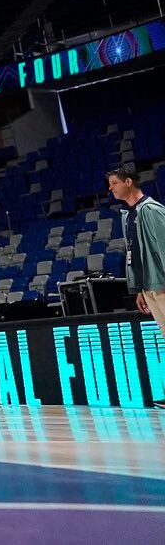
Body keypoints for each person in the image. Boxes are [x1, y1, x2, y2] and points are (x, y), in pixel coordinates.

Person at [107, 165, 165, 409]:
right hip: (150, 285)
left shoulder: (151, 210)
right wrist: (140, 289)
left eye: (114, 183)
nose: (110, 189)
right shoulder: (128, 215)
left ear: (128, 182)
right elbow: (136, 253)